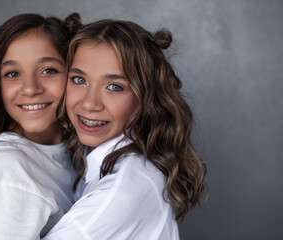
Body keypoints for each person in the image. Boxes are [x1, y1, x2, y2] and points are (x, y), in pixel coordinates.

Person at [43, 19, 207, 239]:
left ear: (144, 98)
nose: (90, 103)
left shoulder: (120, 191)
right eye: (79, 79)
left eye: (114, 87)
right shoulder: (91, 155)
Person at [0, 13, 81, 239]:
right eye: (12, 73)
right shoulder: (7, 168)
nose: (30, 88)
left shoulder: (77, 149)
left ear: (73, 74)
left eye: (48, 70)